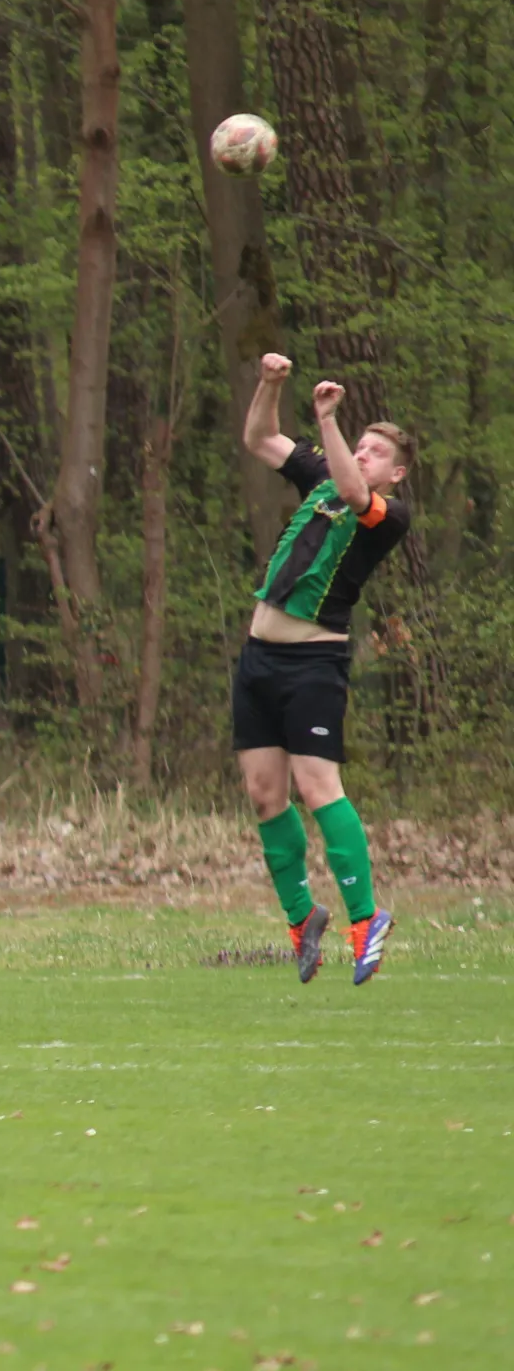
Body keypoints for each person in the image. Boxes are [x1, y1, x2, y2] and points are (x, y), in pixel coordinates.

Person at [235, 353, 411, 985]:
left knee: (317, 788)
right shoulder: (319, 477)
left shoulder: (388, 513)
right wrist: (270, 385)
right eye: (360, 446)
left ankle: (365, 920)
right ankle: (301, 918)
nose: (363, 454)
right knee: (264, 794)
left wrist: (329, 420)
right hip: (258, 660)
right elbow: (259, 438)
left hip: (313, 663)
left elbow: (355, 494)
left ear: (397, 473)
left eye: (376, 452)